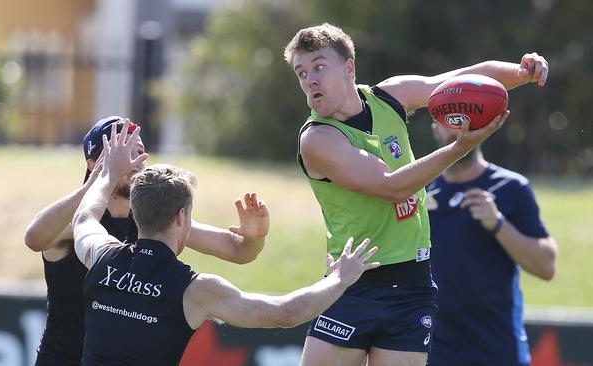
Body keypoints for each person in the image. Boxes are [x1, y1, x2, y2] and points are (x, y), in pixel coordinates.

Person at [283, 23, 549, 366]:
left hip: (412, 284)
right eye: (301, 72)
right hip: (352, 283)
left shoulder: (390, 96)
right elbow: (394, 187)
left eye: (319, 66)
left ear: (349, 67)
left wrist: (522, 72)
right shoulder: (318, 139)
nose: (310, 79)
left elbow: (464, 80)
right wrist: (460, 147)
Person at [71, 119, 381, 365]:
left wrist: (108, 173)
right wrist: (340, 278)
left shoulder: (101, 255)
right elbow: (285, 313)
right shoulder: (196, 290)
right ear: (181, 218)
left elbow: (84, 218)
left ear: (136, 213)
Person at [24, 116, 270, 366]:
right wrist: (102, 178)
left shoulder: (151, 219)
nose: (134, 161)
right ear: (93, 163)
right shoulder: (75, 220)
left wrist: (255, 237)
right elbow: (34, 238)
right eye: (120, 153)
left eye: (139, 151)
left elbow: (238, 251)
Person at [426, 123, 558, 366]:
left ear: (480, 126)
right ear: (435, 128)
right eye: (448, 119)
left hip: (497, 350)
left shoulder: (511, 187)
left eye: (463, 119)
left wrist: (498, 224)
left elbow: (546, 265)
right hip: (432, 353)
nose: (457, 128)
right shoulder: (420, 191)